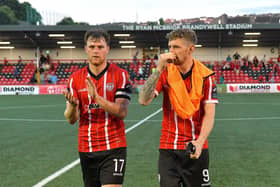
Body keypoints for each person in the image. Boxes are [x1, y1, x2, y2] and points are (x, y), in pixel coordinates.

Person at [139, 29, 218, 187]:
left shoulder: (206, 76)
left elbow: (209, 115)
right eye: (170, 47)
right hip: (169, 150)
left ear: (190, 49)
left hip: (196, 148)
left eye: (176, 47)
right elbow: (143, 100)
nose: (171, 52)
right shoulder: (165, 71)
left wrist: (200, 142)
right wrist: (158, 69)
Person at [63, 30, 132, 187]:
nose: (96, 50)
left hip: (114, 146)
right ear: (86, 49)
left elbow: (121, 112)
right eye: (92, 46)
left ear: (107, 49)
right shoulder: (75, 79)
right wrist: (73, 107)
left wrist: (97, 98)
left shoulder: (120, 75)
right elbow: (71, 119)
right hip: (86, 148)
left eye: (100, 46)